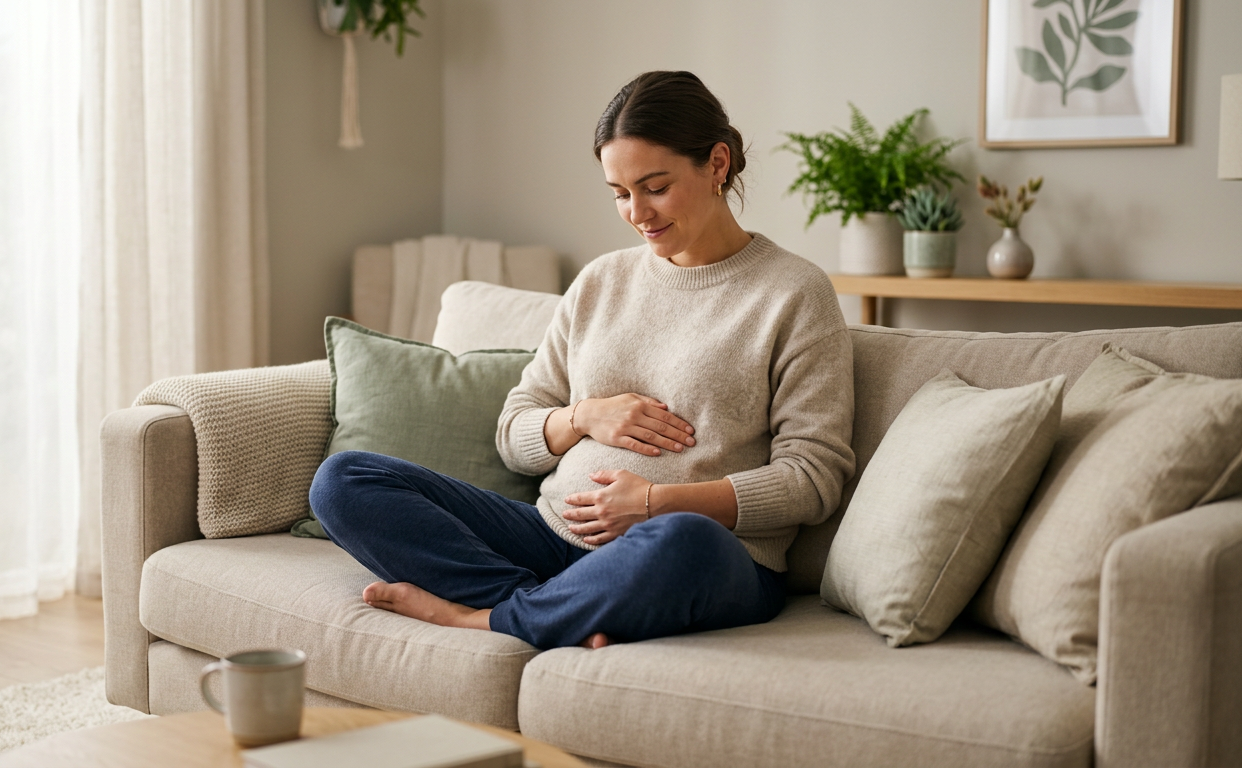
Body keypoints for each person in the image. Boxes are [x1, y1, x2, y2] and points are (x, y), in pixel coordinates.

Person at [309, 70, 855, 650]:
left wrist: (654, 505)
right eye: (620, 193)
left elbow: (812, 479)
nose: (637, 213)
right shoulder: (601, 280)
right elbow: (512, 434)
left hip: (703, 557)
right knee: (343, 481)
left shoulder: (794, 293)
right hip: (551, 538)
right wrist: (583, 416)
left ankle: (480, 618)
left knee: (682, 542)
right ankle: (556, 606)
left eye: (655, 186)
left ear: (717, 164)